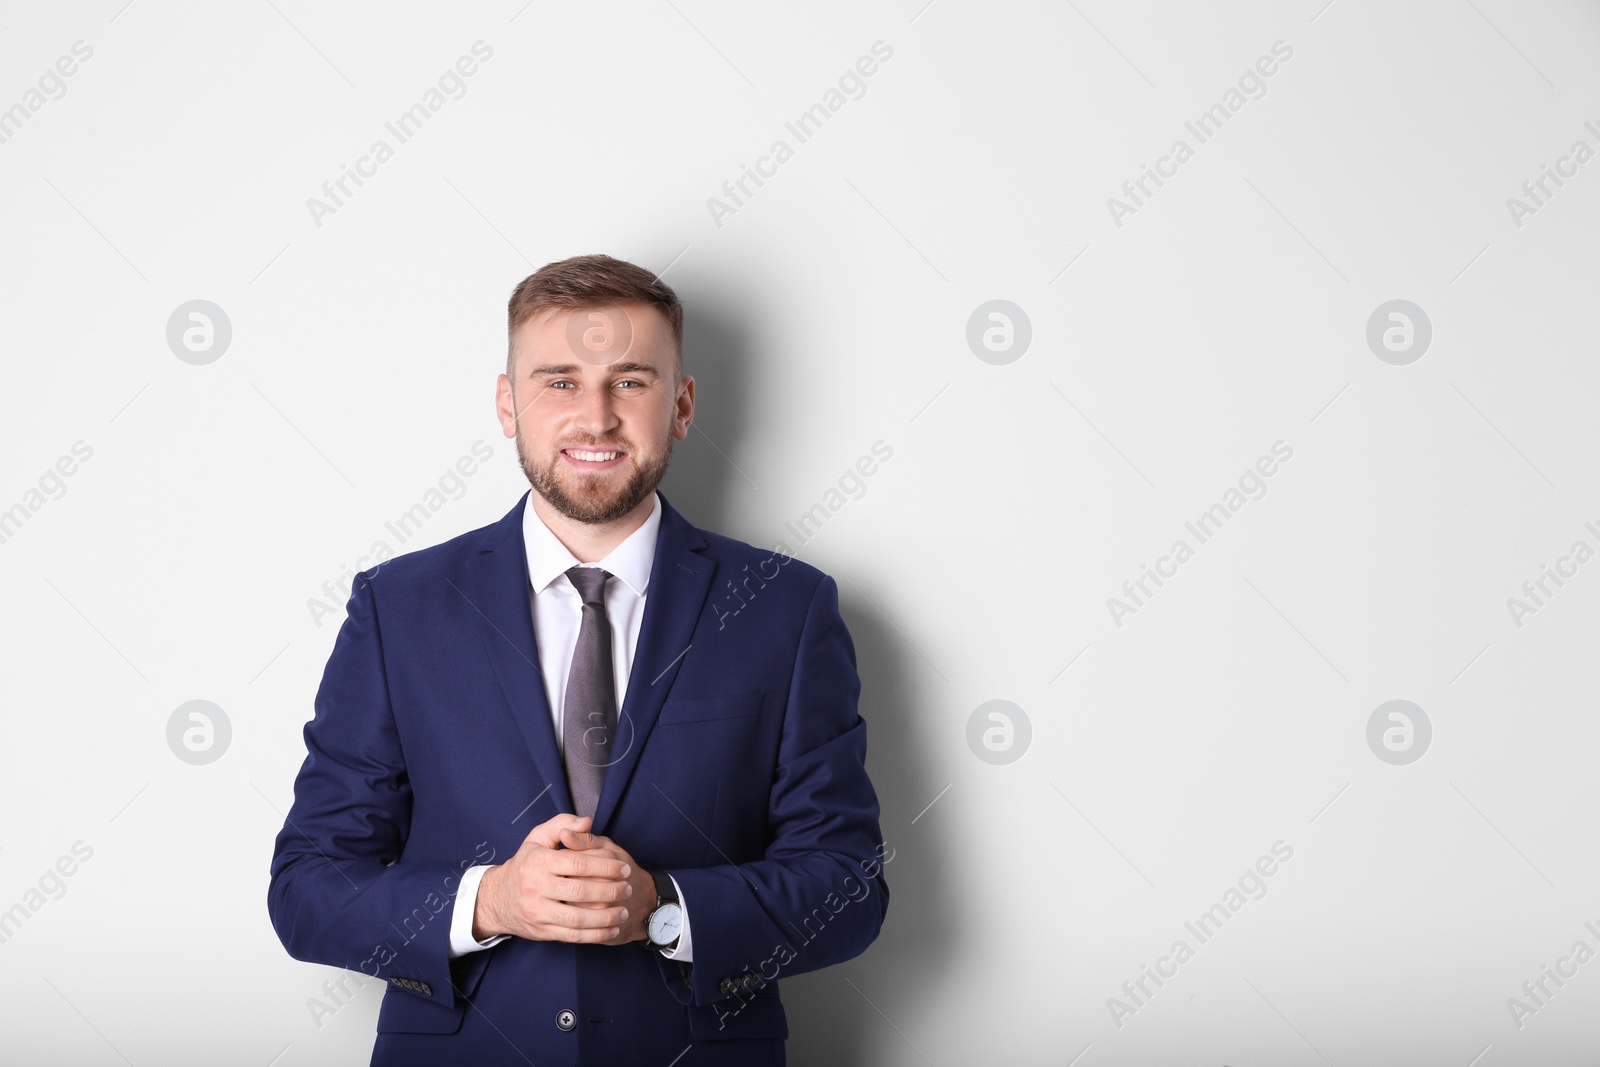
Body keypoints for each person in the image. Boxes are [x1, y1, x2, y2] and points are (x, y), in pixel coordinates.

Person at [266, 254, 890, 1065]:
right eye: (559, 381)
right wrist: (491, 900)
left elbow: (849, 887)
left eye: (630, 381)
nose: (595, 418)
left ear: (683, 404)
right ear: (507, 403)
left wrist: (664, 907)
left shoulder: (785, 607)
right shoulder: (398, 608)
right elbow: (307, 890)